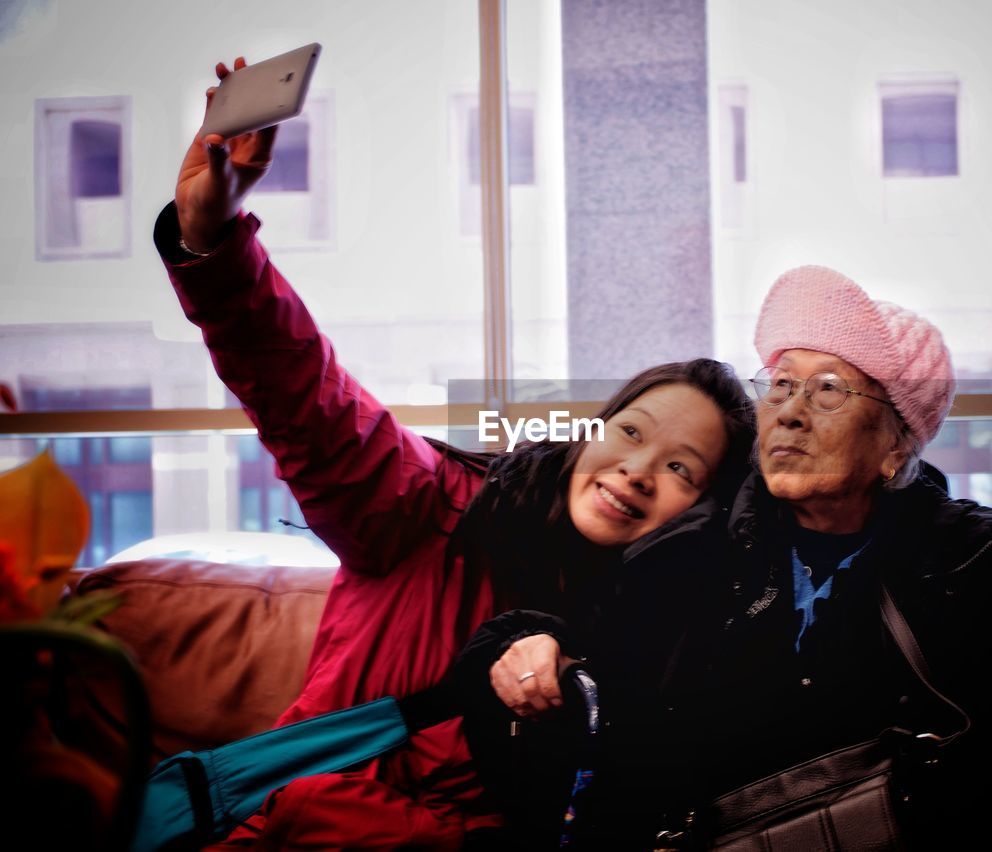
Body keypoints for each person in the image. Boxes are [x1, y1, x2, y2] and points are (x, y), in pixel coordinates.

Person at [156, 57, 756, 850]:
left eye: (682, 469)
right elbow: (302, 392)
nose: (637, 471)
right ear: (593, 430)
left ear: (706, 508)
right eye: (632, 432)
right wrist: (215, 243)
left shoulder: (655, 637)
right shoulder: (427, 506)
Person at [462, 265, 992, 848]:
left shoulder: (984, 572)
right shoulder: (690, 549)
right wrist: (532, 640)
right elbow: (593, 682)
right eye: (780, 386)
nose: (790, 413)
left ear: (897, 444)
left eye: (829, 390)